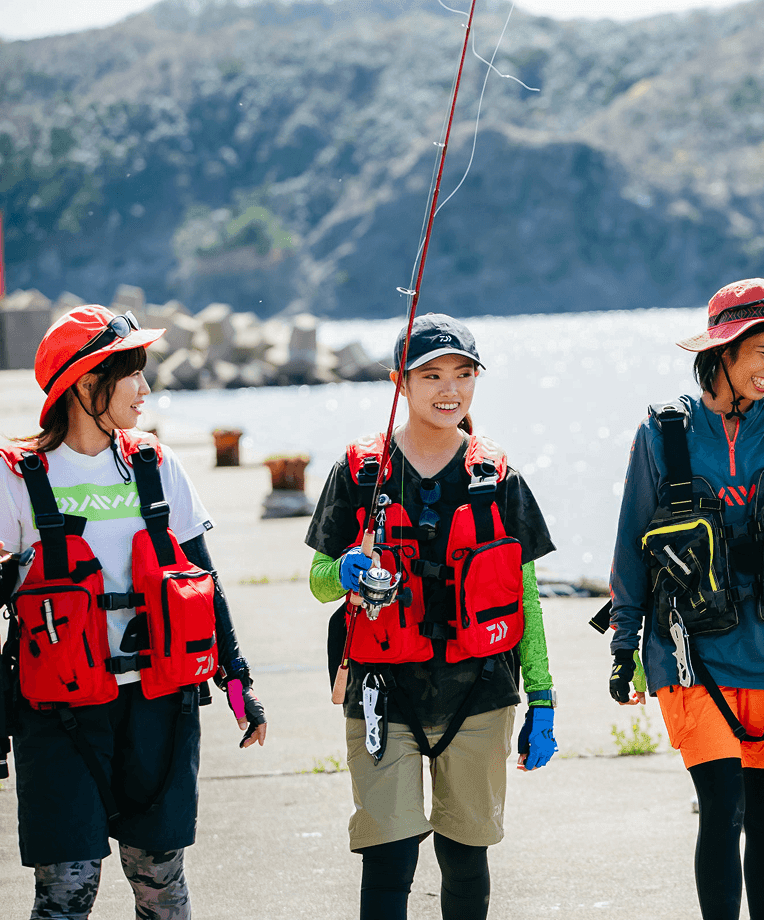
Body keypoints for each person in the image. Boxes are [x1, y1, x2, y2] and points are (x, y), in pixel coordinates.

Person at [0, 305, 267, 920]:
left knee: (160, 884)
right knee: (66, 892)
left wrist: (238, 680)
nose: (146, 389)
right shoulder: (17, 476)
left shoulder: (157, 465)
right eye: (133, 374)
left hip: (158, 704)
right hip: (59, 713)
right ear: (86, 382)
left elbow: (205, 581)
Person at [607, 279, 764, 920]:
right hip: (692, 651)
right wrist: (623, 646)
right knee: (722, 804)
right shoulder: (663, 433)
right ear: (725, 348)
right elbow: (634, 545)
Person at [305, 313, 558, 920]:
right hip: (380, 692)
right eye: (432, 375)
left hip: (482, 691)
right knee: (387, 856)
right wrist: (344, 572)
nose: (450, 389)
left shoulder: (499, 479)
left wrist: (543, 696)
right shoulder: (360, 474)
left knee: (466, 856)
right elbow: (317, 583)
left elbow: (525, 596)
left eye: (464, 374)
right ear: (400, 382)